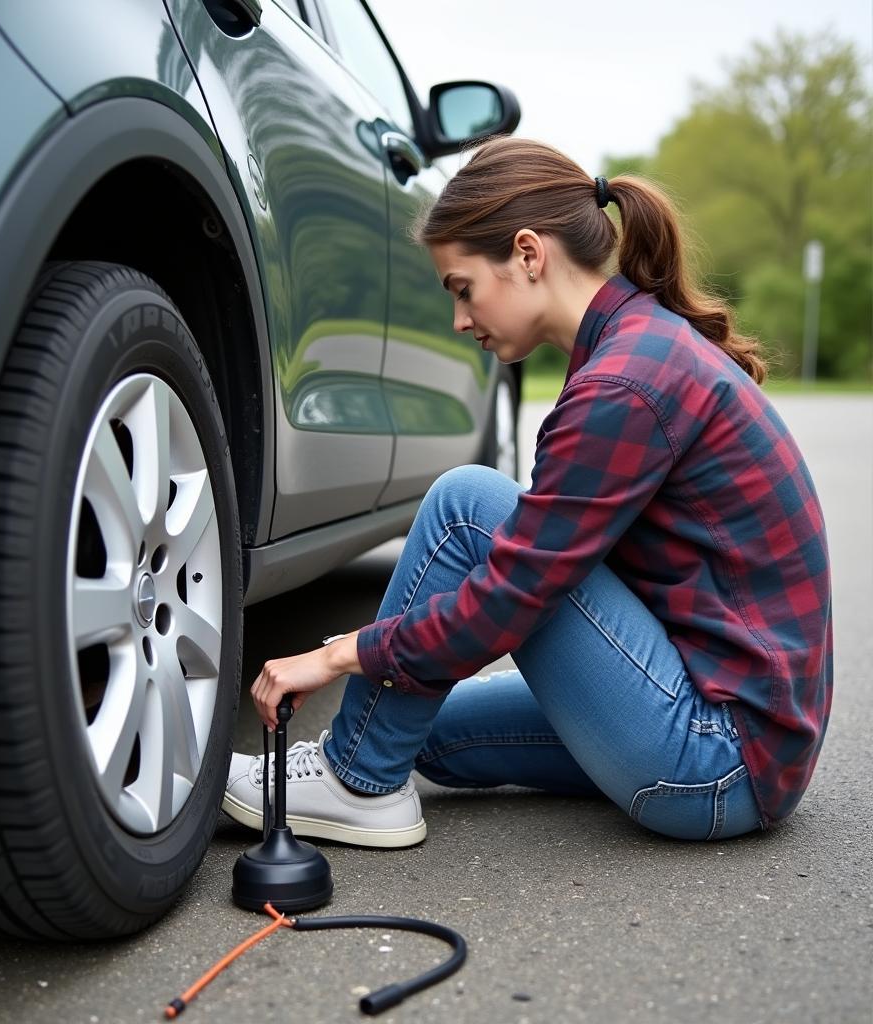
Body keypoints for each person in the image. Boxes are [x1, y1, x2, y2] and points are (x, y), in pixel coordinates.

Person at [223, 138, 833, 846]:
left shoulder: (622, 384)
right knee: (428, 733)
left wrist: (337, 653)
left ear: (528, 254)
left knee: (465, 505)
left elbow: (513, 596)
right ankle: (367, 759)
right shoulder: (638, 346)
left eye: (462, 288)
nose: (459, 319)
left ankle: (353, 780)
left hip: (715, 759)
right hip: (744, 745)